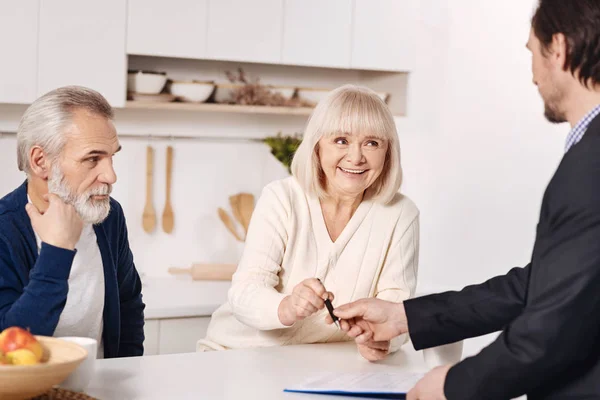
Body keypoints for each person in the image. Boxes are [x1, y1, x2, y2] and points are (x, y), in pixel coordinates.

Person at [330, 0, 600, 398]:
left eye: (532, 54)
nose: (533, 77)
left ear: (557, 49)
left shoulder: (590, 164)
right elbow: (542, 285)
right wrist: (405, 315)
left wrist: (453, 386)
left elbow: (547, 333)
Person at [197, 85, 419, 361]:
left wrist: (381, 339)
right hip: (239, 356)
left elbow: (398, 310)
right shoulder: (282, 198)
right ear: (317, 146)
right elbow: (244, 292)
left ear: (388, 152)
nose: (356, 157)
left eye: (372, 143)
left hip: (325, 364)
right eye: (341, 140)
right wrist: (286, 306)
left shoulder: (401, 213)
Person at [0, 86, 145, 358]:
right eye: (93, 159)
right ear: (41, 161)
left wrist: (125, 375)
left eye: (111, 157)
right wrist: (58, 250)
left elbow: (129, 305)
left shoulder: (109, 218)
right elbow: (8, 349)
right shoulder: (4, 230)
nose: (111, 176)